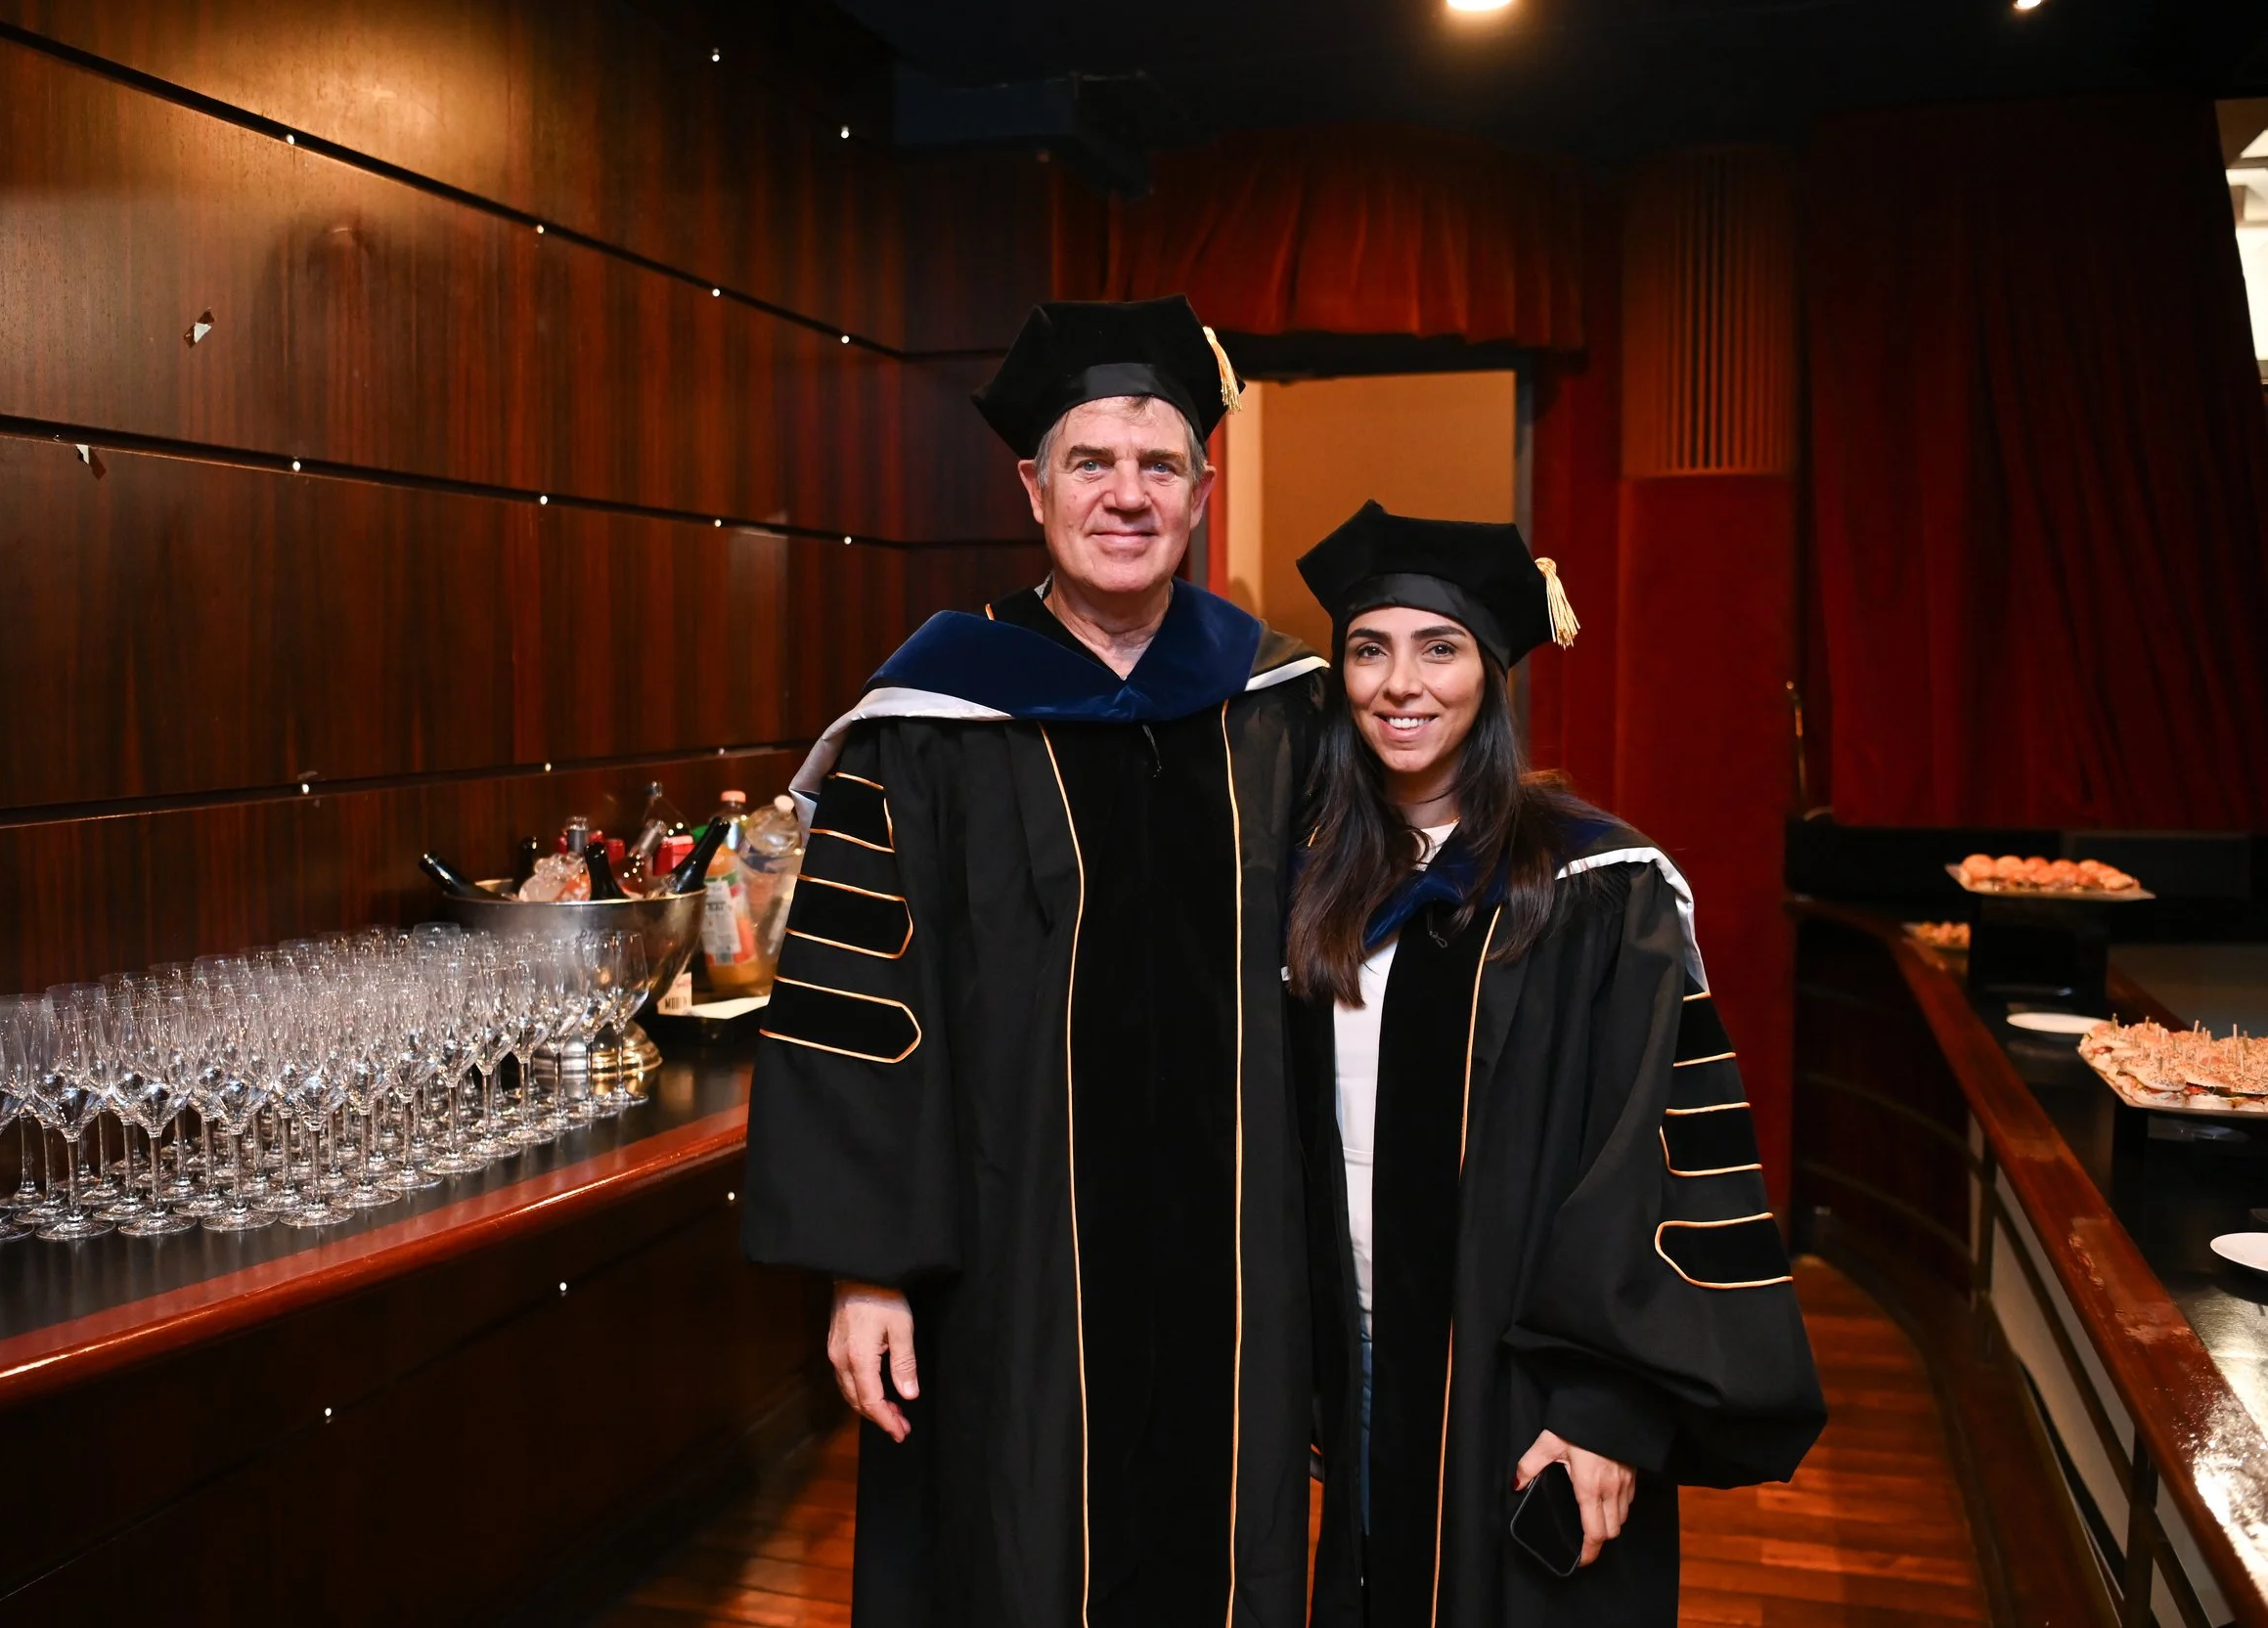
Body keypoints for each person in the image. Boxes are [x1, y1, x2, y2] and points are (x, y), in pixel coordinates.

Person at [742, 295, 1328, 1628]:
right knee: (1009, 1554)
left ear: (1201, 491)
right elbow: (854, 1005)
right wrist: (866, 1266)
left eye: (1159, 464)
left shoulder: (1281, 712)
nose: (1127, 495)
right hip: (1007, 1271)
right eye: (1091, 462)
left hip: (1237, 1263)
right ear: (1033, 486)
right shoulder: (934, 719)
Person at [1284, 502, 1826, 1626]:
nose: (1400, 683)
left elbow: (1657, 1156)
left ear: (1490, 676)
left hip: (1530, 1382)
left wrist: (1606, 1407)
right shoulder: (1305, 882)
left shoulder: (1593, 887)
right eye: (1368, 649)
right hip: (1362, 1366)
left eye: (1439, 649)